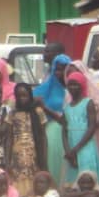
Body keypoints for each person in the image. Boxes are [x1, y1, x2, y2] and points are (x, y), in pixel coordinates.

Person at [34, 54, 72, 186]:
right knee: (53, 163)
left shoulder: (73, 88)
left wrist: (45, 108)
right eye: (57, 69)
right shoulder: (46, 88)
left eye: (63, 69)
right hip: (52, 131)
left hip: (71, 131)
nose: (59, 73)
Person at [61, 72, 99, 184]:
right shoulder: (67, 108)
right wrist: (68, 151)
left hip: (85, 146)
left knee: (87, 174)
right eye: (70, 84)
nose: (72, 87)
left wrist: (76, 149)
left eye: (75, 84)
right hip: (71, 147)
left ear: (82, 85)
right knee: (72, 179)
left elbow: (91, 127)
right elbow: (64, 131)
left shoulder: (88, 103)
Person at [7, 83, 46, 197]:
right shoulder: (12, 114)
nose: (22, 98)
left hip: (34, 153)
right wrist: (7, 160)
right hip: (17, 155)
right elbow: (9, 138)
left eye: (24, 95)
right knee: (18, 183)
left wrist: (44, 159)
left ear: (30, 96)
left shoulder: (38, 112)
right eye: (19, 96)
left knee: (34, 180)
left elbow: (43, 137)